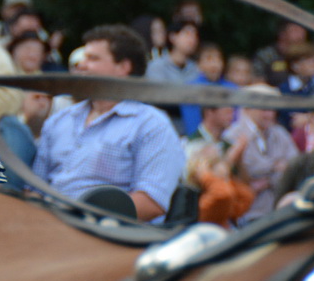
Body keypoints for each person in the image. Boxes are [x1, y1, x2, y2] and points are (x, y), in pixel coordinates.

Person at [32, 25, 185, 221]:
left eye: (92, 58)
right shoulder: (59, 120)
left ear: (123, 67)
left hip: (111, 237)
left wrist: (83, 220)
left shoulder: (152, 125)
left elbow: (152, 202)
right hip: (47, 230)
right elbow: (34, 188)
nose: (81, 65)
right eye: (83, 57)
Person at [224, 85, 299, 223]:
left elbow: (294, 168)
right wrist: (275, 166)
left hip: (278, 212)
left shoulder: (280, 133)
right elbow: (250, 168)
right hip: (247, 215)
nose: (269, 114)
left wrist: (268, 180)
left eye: (272, 109)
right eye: (264, 109)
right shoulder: (233, 135)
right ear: (248, 109)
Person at [146, 16, 203, 133]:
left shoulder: (195, 68)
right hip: (161, 127)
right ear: (173, 37)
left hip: (191, 128)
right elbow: (158, 98)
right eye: (187, 33)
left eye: (195, 35)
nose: (193, 39)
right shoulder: (157, 66)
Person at [251, 21, 307, 89]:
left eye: (302, 31)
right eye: (295, 31)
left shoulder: (307, 55)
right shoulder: (266, 55)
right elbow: (257, 81)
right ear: (282, 34)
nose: (301, 35)